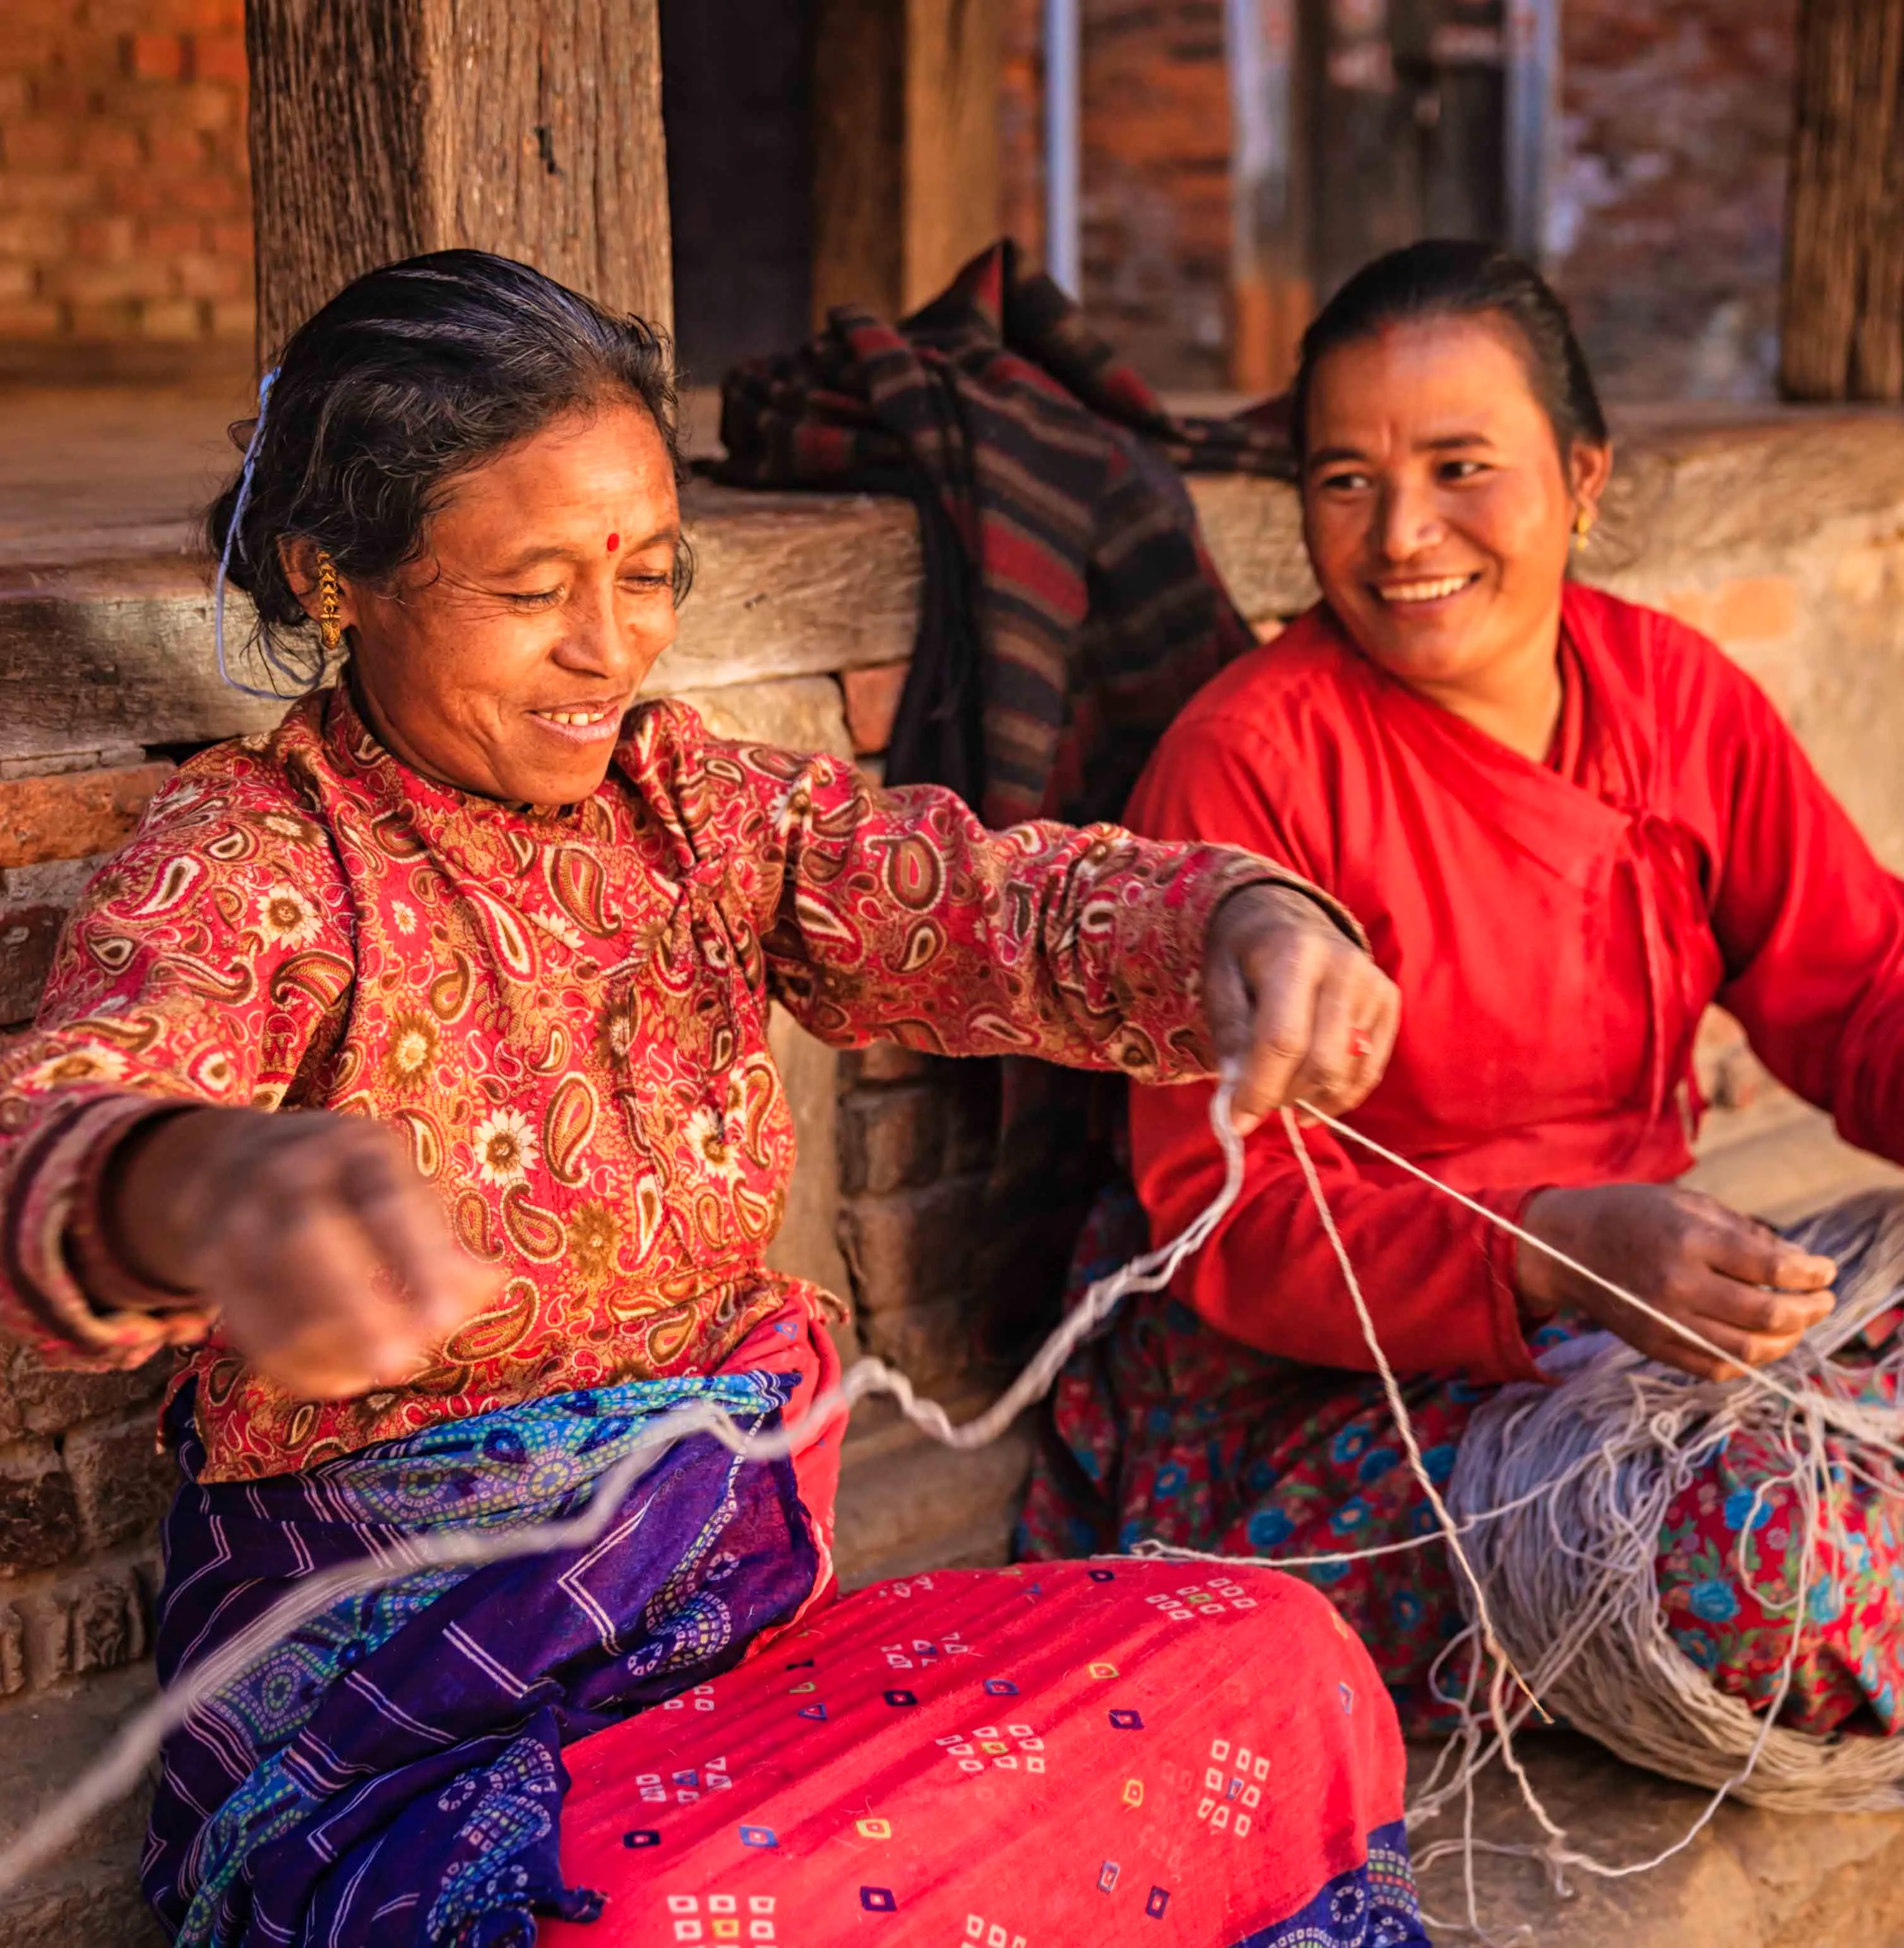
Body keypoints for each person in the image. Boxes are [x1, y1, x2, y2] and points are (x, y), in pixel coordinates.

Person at [0, 252, 1425, 1947]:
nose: (609, 647)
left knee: (1277, 1661)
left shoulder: (696, 811)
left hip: (741, 1668)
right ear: (335, 577)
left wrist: (1237, 921)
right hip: (414, 1764)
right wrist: (208, 1185)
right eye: (534, 587)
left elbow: (977, 902)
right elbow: (81, 1108)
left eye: (650, 572)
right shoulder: (252, 862)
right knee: (658, 1915)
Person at [1021, 239, 1904, 1742]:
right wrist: (1550, 1251)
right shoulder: (1248, 763)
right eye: (1344, 479)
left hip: (1642, 1331)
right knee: (1769, 1561)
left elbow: (1855, 983)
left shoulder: (1674, 696)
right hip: (1338, 1399)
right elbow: (1226, 1215)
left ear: (1581, 477)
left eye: (1457, 466)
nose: (1400, 534)